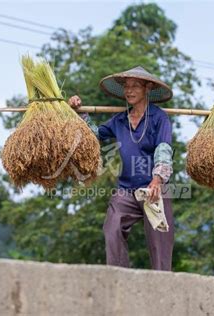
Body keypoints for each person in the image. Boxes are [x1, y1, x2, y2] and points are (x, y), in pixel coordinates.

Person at [68, 66, 174, 271]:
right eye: (126, 86)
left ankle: (163, 288)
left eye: (135, 86)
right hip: (126, 189)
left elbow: (164, 148)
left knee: (160, 244)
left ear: (148, 88)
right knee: (112, 228)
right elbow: (94, 136)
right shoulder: (119, 120)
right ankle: (118, 277)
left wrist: (157, 180)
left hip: (155, 189)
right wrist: (80, 112)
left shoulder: (159, 118)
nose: (129, 90)